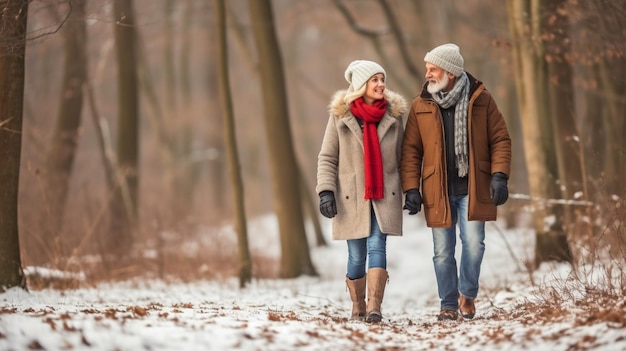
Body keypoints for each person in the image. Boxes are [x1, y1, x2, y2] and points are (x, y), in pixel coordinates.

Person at [400, 43, 512, 321]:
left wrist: (499, 175)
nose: (427, 74)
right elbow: (411, 150)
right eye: (427, 69)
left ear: (450, 72)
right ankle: (448, 304)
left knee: (474, 245)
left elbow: (500, 139)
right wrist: (411, 188)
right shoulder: (420, 104)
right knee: (442, 253)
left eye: (433, 69)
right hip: (437, 190)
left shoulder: (481, 99)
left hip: (474, 188)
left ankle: (467, 294)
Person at [316, 60, 408, 323]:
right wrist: (326, 191)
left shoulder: (393, 116)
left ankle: (374, 307)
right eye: (375, 80)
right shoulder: (340, 117)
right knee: (356, 255)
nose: (381, 84)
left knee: (377, 246)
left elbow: (404, 159)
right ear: (361, 86)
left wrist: (411, 189)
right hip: (351, 197)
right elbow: (327, 157)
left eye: (382, 79)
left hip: (383, 195)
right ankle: (357, 306)